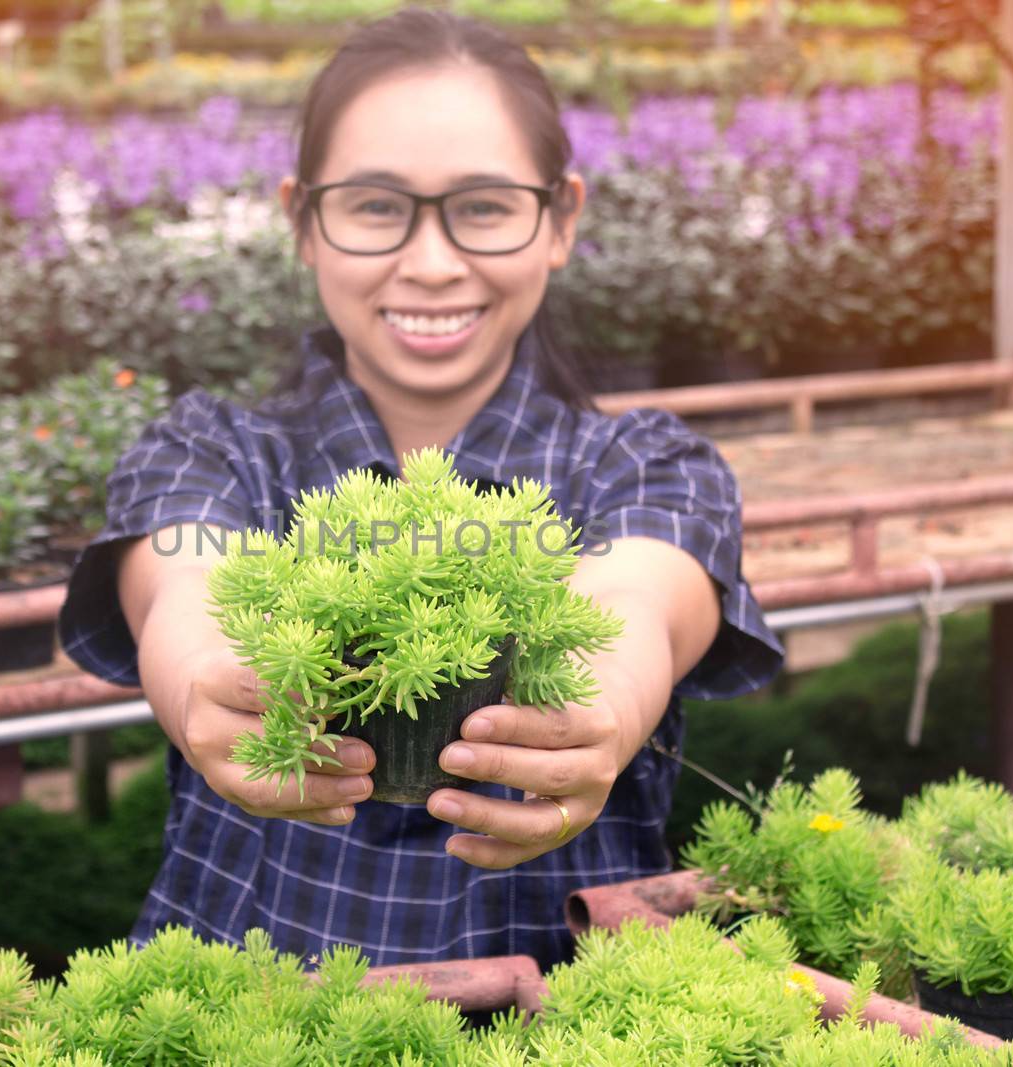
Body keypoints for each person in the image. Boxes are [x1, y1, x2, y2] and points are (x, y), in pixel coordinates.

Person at [59, 7, 784, 971]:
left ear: (561, 219)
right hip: (254, 1011)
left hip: (557, 1014)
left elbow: (637, 599)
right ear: (303, 223)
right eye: (374, 206)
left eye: (484, 207)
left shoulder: (648, 466)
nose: (432, 263)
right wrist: (211, 676)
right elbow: (188, 578)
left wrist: (596, 705)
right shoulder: (210, 452)